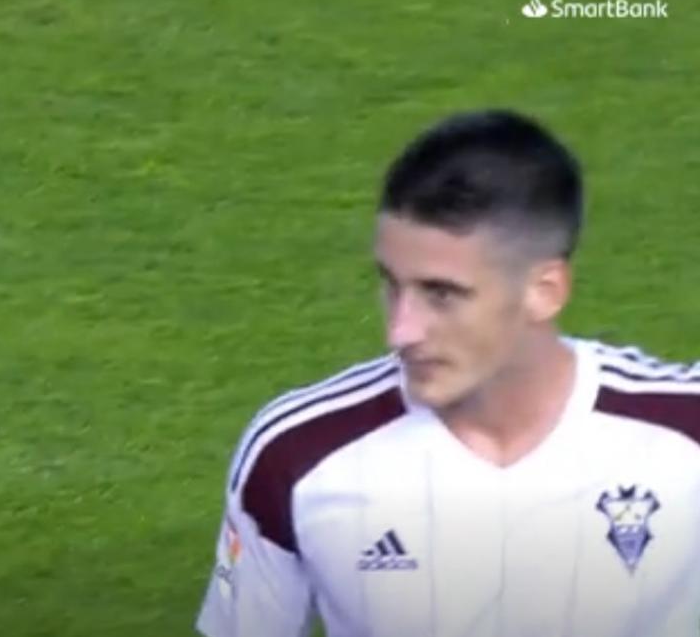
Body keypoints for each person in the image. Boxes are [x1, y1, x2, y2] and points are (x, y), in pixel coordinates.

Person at [195, 109, 700, 637]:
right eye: (392, 284)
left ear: (544, 291)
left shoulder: (682, 429)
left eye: (441, 294)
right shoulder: (297, 452)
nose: (401, 331)